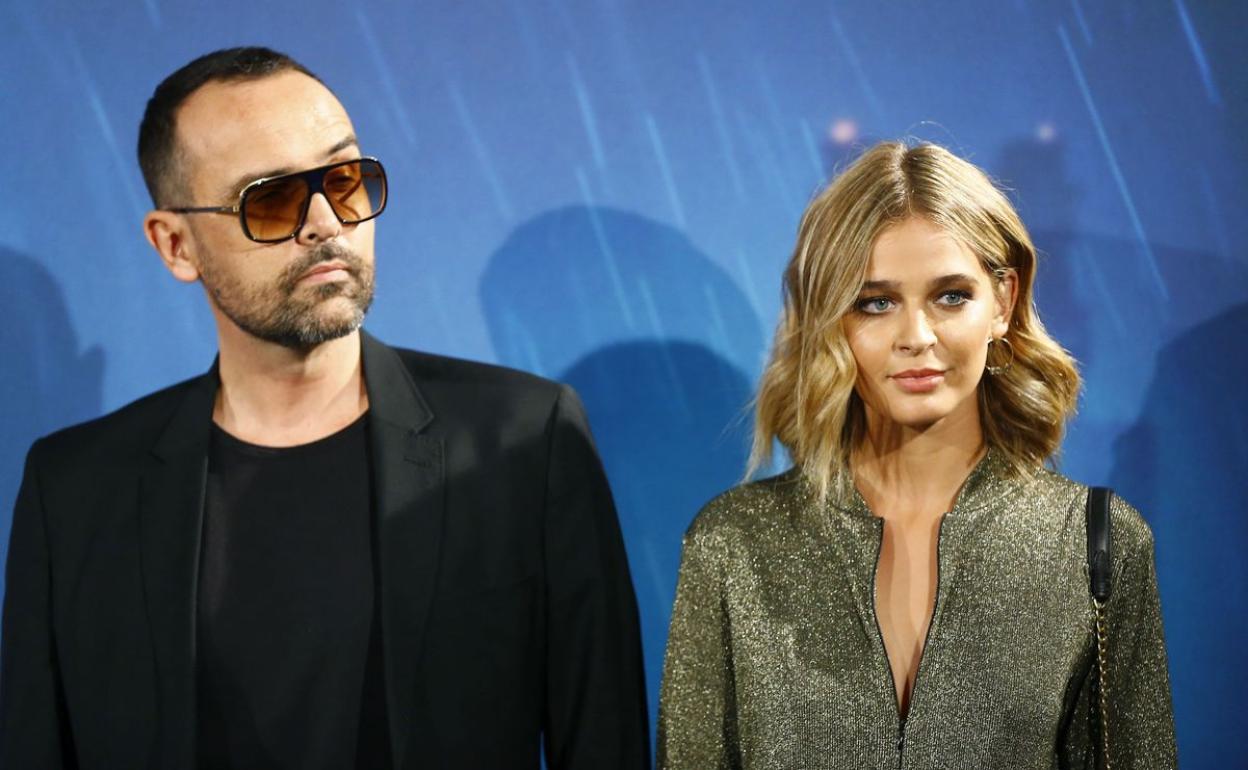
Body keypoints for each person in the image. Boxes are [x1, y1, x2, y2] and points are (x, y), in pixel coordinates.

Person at [0, 47, 649, 769]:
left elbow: (604, 740)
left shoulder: (524, 441)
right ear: (175, 244)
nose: (326, 224)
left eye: (344, 180)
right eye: (271, 199)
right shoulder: (77, 490)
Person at [657, 141, 1176, 768]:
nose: (917, 337)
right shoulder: (733, 543)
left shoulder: (1097, 543)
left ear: (1004, 303)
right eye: (875, 302)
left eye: (951, 296)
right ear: (831, 320)